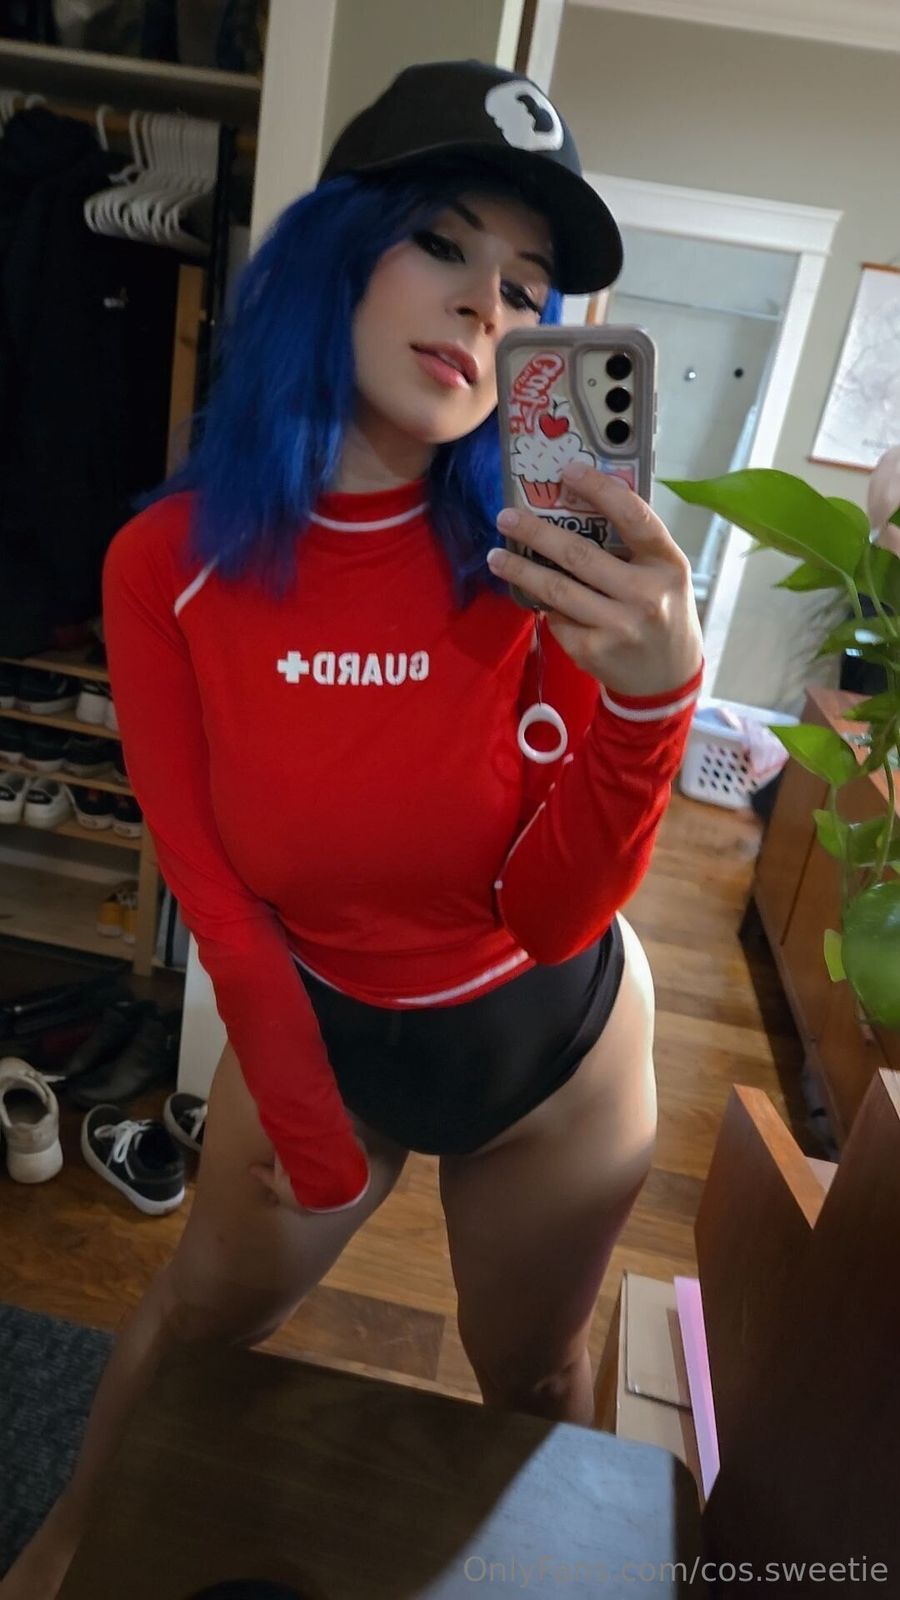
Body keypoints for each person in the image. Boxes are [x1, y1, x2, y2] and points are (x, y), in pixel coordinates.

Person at [1, 59, 703, 1600]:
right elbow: (211, 887)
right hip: (321, 1031)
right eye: (443, 243)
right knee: (198, 1320)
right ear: (337, 252)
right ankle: (55, 1550)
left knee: (532, 1381)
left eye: (524, 289)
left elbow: (553, 915)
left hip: (556, 1053)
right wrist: (312, 1132)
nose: (482, 308)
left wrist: (652, 704)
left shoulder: (543, 561)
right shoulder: (167, 566)